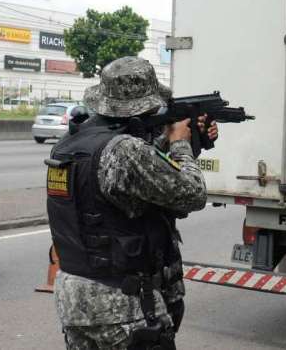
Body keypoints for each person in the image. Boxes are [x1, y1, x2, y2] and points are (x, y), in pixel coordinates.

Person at [49, 56, 217, 350]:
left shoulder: (71, 144)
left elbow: (132, 181)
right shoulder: (125, 151)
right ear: (145, 105)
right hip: (122, 308)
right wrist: (179, 142)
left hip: (75, 299)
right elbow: (192, 194)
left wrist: (183, 141)